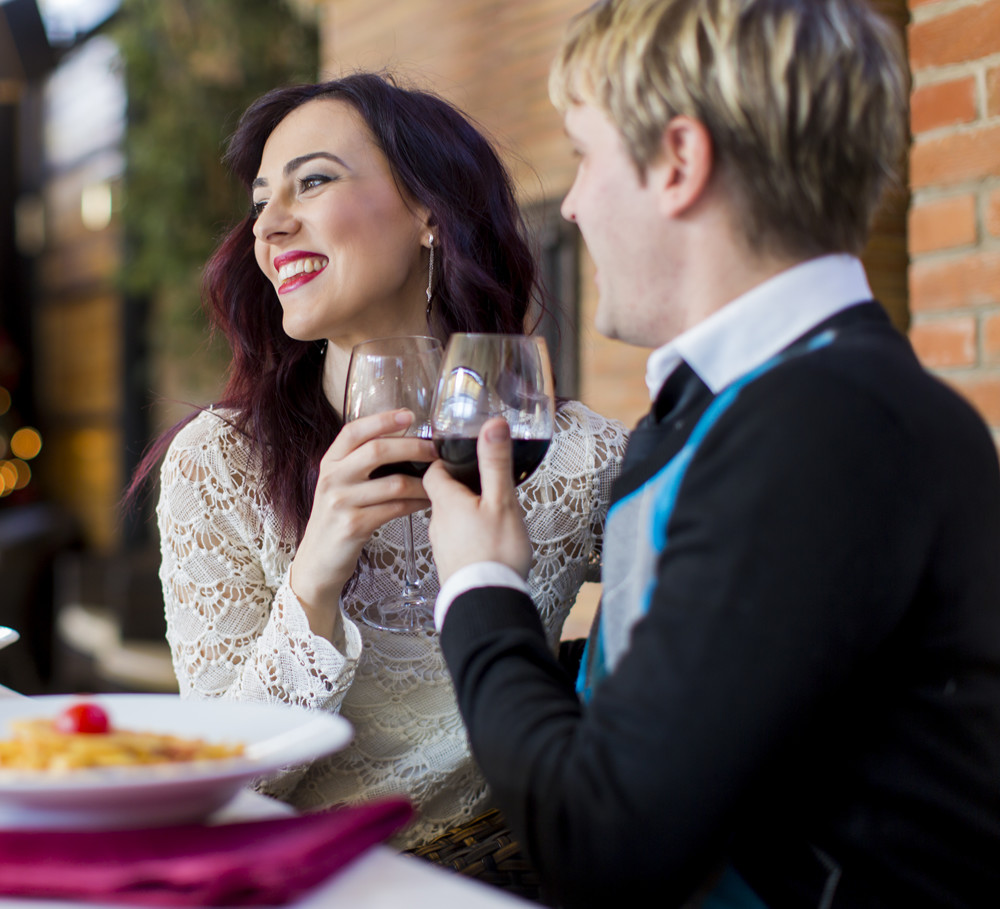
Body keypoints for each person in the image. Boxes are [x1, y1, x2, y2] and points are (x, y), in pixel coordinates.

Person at [422, 1, 1000, 906]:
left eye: (583, 155)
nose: (569, 205)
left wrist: (478, 587)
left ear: (680, 163)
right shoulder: (745, 407)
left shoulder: (825, 425)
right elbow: (700, 687)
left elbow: (606, 841)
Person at [128, 72, 627, 848]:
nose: (268, 227)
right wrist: (315, 581)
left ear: (430, 212)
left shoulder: (571, 453)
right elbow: (223, 784)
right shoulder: (219, 463)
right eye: (262, 201)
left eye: (312, 182)